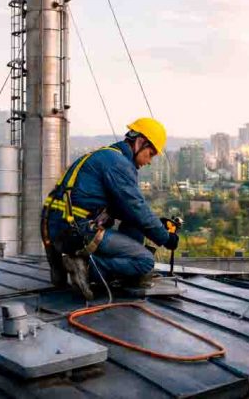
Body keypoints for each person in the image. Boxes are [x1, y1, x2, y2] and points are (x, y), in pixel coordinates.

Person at [42, 117, 179, 299]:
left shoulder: (106, 155)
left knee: (134, 225)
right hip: (77, 231)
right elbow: (136, 207)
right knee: (145, 261)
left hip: (58, 228)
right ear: (140, 142)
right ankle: (87, 268)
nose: (150, 161)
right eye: (151, 153)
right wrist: (165, 237)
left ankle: (71, 265)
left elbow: (128, 211)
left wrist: (158, 225)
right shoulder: (118, 164)